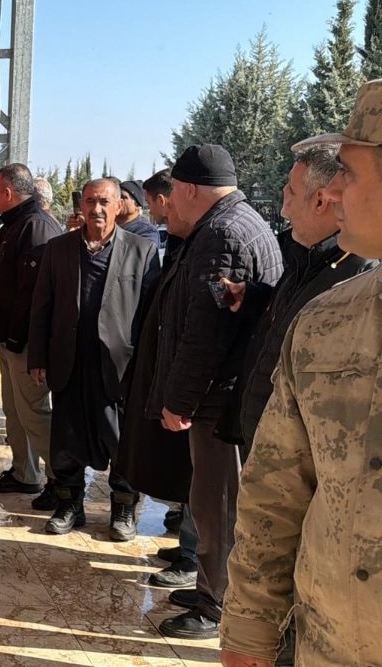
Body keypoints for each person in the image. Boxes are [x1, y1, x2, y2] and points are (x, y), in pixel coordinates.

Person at [220, 77, 382, 667]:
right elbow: (276, 494)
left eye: (351, 173)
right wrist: (249, 629)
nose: (333, 191)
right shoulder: (326, 322)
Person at [148, 144, 283, 640]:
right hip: (226, 395)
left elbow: (205, 332)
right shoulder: (237, 222)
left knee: (218, 505)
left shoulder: (221, 233)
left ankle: (216, 604)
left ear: (187, 189)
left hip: (219, 403)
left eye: (173, 192)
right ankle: (210, 584)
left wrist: (179, 399)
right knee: (213, 501)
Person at [26, 178, 160, 539]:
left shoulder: (142, 251)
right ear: (80, 206)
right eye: (90, 201)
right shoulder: (58, 249)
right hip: (69, 361)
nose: (96, 209)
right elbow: (42, 305)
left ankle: (123, 508)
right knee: (66, 440)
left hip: (119, 367)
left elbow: (151, 317)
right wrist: (38, 355)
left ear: (118, 206)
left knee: (121, 441)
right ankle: (69, 504)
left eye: (104, 202)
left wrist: (148, 368)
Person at [223, 144, 376, 450]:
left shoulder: (358, 276)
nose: (284, 208)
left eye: (290, 191)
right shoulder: (306, 258)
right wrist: (256, 299)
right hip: (271, 449)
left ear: (320, 201)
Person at [111, 167, 198, 588]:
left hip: (190, 385)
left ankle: (195, 557)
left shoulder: (192, 241)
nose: (156, 208)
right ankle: (189, 545)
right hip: (158, 368)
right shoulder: (182, 241)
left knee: (198, 474)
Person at [0, 163, 63, 510]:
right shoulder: (14, 225)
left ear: (7, 192)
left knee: (34, 413)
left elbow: (35, 295)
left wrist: (21, 340)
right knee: (15, 411)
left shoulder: (36, 227)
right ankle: (24, 473)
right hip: (9, 339)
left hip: (26, 343)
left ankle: (62, 481)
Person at [117, 180, 161, 247]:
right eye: (116, 197)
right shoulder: (108, 225)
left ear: (138, 205)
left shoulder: (147, 231)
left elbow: (143, 252)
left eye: (123, 197)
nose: (118, 201)